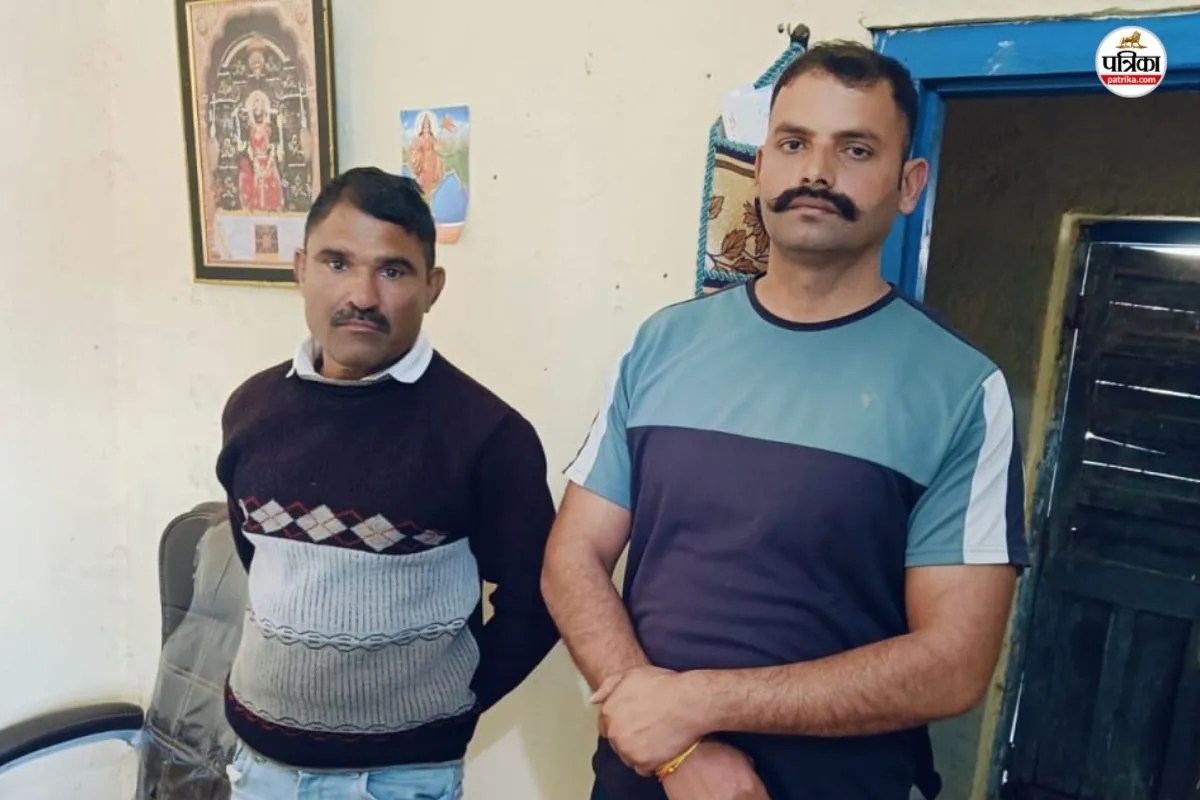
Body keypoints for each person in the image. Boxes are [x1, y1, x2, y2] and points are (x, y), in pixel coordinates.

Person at [542, 40, 1029, 800]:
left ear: (908, 185)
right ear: (761, 165)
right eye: (794, 143)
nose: (817, 173)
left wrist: (698, 704)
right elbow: (572, 558)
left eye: (855, 149)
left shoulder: (962, 389)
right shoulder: (663, 343)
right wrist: (676, 750)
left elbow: (954, 663)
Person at [216, 167, 559, 799]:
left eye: (393, 271)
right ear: (300, 269)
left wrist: (450, 704)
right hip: (258, 768)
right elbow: (262, 560)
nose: (363, 295)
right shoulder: (251, 410)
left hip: (398, 781)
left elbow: (538, 599)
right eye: (337, 263)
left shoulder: (487, 435)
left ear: (433, 287)